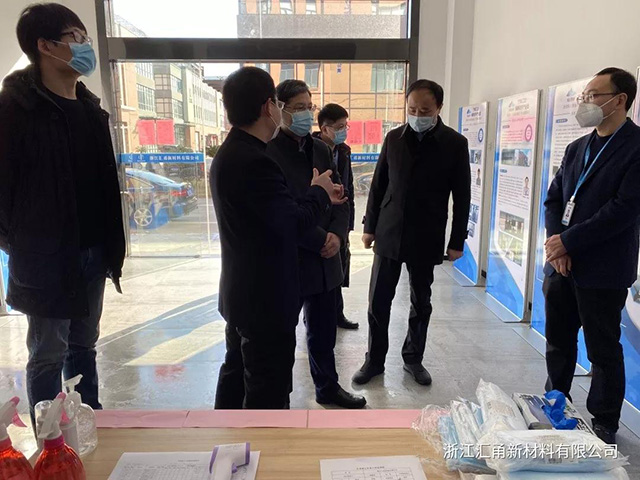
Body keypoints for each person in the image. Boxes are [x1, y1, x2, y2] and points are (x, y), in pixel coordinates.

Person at [0, 3, 125, 415]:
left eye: (86, 37)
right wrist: (25, 244)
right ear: (45, 45)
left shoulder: (91, 109)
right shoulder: (14, 110)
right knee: (48, 354)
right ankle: (52, 439)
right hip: (46, 259)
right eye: (77, 37)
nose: (86, 46)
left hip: (93, 250)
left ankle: (88, 421)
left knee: (84, 345)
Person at [211, 67, 347, 409]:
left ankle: (227, 435)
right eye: (278, 102)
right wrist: (319, 191)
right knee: (267, 393)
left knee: (237, 373)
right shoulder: (256, 160)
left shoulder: (233, 151)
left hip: (245, 293)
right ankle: (259, 440)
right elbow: (291, 222)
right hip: (264, 299)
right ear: (268, 107)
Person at [544, 67, 640, 444]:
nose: (585, 102)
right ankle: (556, 400)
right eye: (584, 95)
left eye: (593, 95)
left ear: (620, 100)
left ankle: (604, 418)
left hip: (603, 268)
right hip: (562, 265)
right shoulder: (577, 147)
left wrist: (569, 242)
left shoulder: (635, 147)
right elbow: (554, 199)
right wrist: (557, 244)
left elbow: (623, 209)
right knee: (558, 339)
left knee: (602, 347)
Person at [353, 79, 471, 386]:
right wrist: (369, 227)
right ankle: (374, 360)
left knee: (421, 302)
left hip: (427, 234)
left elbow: (462, 197)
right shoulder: (394, 138)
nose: (418, 115)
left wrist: (457, 241)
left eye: (425, 110)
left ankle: (413, 358)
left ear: (439, 108)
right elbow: (378, 185)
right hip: (389, 232)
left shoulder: (454, 143)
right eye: (412, 109)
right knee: (378, 301)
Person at [267, 80, 366, 409]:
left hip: (325, 259)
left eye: (309, 107)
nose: (306, 114)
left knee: (324, 333)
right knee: (282, 338)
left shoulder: (321, 149)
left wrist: (337, 235)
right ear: (279, 109)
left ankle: (328, 388)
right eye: (298, 108)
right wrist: (321, 238)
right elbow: (282, 215)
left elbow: (340, 197)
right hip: (291, 259)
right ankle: (279, 399)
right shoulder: (269, 152)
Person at [313, 103, 359, 330]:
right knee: (320, 271)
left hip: (339, 219)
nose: (344, 131)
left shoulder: (344, 151)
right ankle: (314, 316)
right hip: (318, 220)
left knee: (339, 266)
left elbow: (347, 186)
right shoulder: (311, 150)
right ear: (325, 129)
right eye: (339, 127)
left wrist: (346, 225)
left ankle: (337, 313)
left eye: (345, 126)